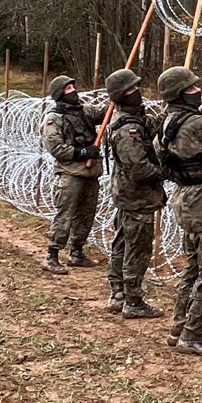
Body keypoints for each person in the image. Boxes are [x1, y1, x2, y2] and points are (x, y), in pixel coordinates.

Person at [153, 66, 202, 358]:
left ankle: (178, 326)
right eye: (191, 88)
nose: (197, 91)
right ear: (179, 94)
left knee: (193, 267)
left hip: (186, 199)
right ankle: (193, 333)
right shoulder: (196, 124)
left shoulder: (166, 122)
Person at [104, 68, 166, 319]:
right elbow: (140, 169)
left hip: (128, 194)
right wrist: (165, 172)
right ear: (121, 95)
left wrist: (169, 113)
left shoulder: (132, 119)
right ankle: (132, 299)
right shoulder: (126, 129)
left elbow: (150, 127)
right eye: (131, 90)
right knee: (138, 247)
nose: (137, 93)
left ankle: (118, 291)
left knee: (123, 240)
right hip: (136, 195)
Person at [41, 75, 105, 273]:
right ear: (60, 94)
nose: (73, 91)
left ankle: (77, 253)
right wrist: (83, 152)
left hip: (91, 173)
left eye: (73, 87)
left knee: (86, 215)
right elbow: (56, 148)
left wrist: (117, 97)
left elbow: (105, 114)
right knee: (65, 215)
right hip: (70, 174)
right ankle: (51, 255)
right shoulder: (54, 118)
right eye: (68, 88)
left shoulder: (84, 111)